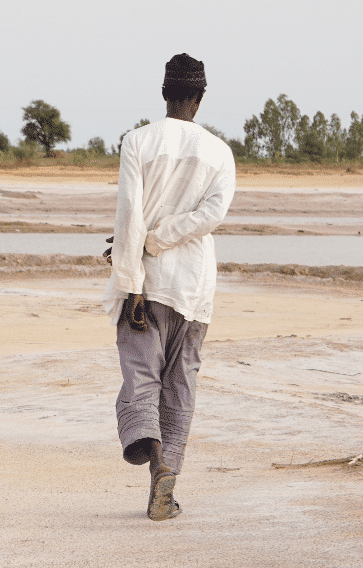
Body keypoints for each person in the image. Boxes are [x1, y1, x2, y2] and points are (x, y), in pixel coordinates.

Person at [101, 53, 236, 521]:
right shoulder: (219, 151)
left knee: (142, 377)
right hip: (195, 289)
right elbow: (212, 216)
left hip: (147, 285)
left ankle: (157, 464)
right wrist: (166, 238)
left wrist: (135, 270)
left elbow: (129, 217)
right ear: (199, 98)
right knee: (181, 382)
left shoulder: (138, 140)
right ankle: (168, 475)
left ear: (164, 94)